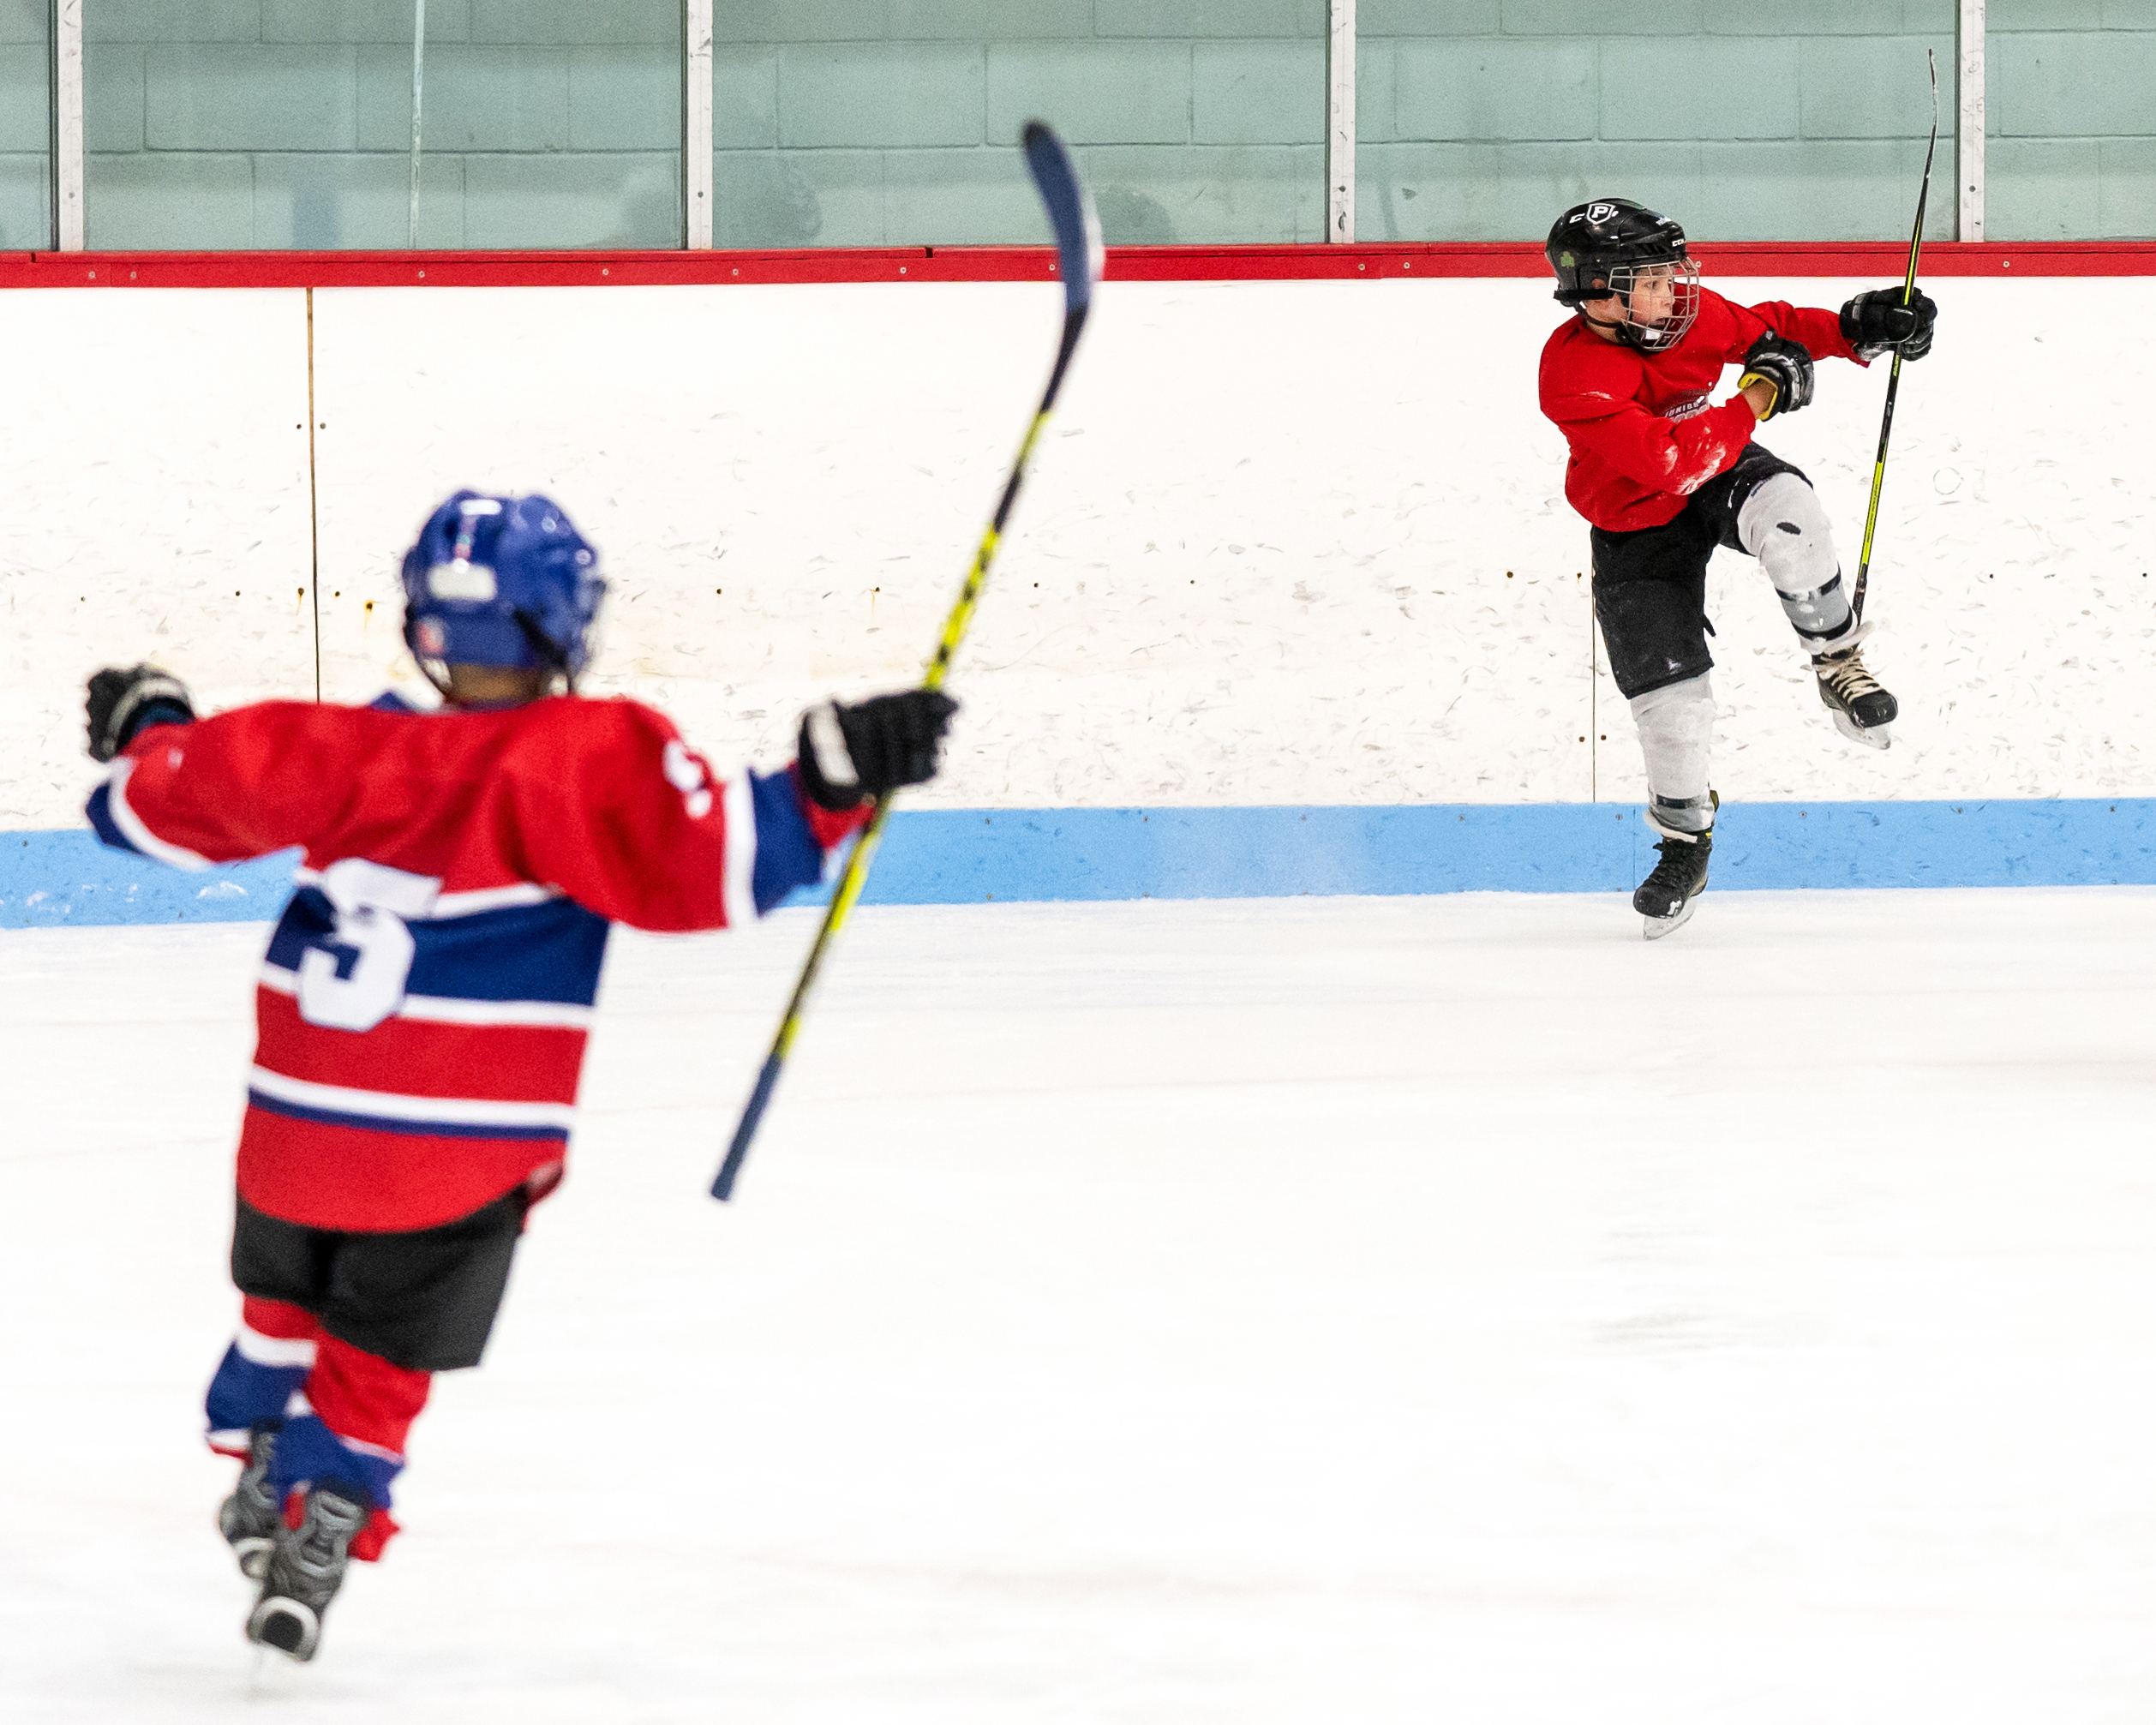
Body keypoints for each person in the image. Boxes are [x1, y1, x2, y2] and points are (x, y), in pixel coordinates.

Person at [81, 490, 957, 1662]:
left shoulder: (328, 746)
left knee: (286, 1297)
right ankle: (336, 1490)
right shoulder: (583, 757)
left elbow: (155, 799)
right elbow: (717, 864)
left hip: (291, 1140)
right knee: (385, 1345)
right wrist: (833, 777)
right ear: (563, 622)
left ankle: (256, 1438)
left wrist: (150, 725)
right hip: (452, 1153)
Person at [1538, 198, 1937, 937]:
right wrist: (1761, 392)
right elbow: (1672, 460)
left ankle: (1836, 658)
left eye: (1671, 273)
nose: (1674, 290)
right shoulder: (1572, 370)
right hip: (1636, 515)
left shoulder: (1680, 316)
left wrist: (1860, 328)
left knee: (1787, 506)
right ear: (1599, 293)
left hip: (1716, 456)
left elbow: (1769, 327)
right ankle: (1687, 843)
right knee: (1673, 707)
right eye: (1650, 280)